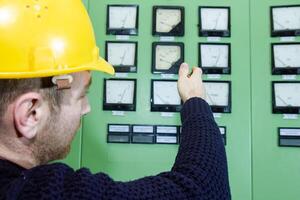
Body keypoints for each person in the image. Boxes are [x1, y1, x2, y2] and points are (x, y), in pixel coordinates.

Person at [0, 0, 231, 199]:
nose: (87, 108)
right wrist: (195, 101)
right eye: (81, 96)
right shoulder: (39, 193)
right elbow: (204, 191)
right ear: (31, 113)